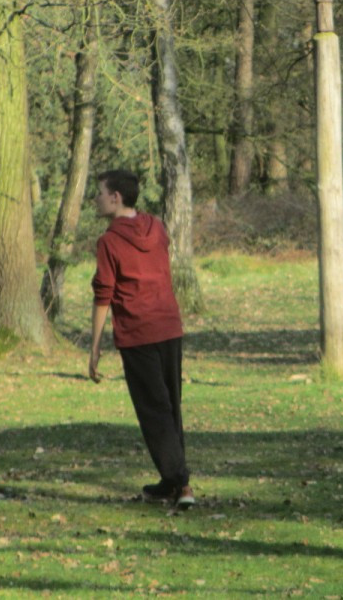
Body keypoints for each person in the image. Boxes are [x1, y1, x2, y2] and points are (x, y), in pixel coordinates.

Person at [88, 169, 194, 509]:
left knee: (154, 411)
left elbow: (103, 295)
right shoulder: (157, 227)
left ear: (115, 197)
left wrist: (94, 348)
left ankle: (181, 482)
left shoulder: (109, 242)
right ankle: (172, 483)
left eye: (100, 193)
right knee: (170, 408)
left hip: (138, 333)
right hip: (169, 326)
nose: (96, 199)